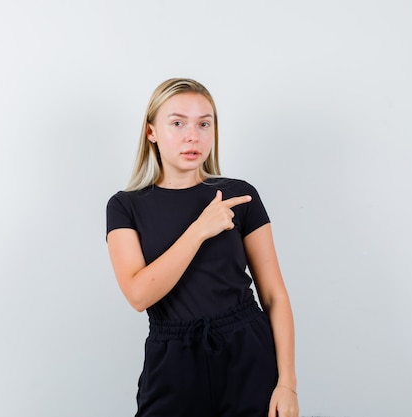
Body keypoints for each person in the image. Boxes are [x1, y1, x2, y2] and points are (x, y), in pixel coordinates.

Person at [105, 78, 299, 417]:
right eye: (177, 123)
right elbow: (138, 294)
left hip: (247, 353)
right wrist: (199, 230)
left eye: (204, 124)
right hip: (173, 361)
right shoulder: (125, 206)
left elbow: (274, 296)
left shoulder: (239, 195)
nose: (192, 135)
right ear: (151, 131)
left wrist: (287, 384)